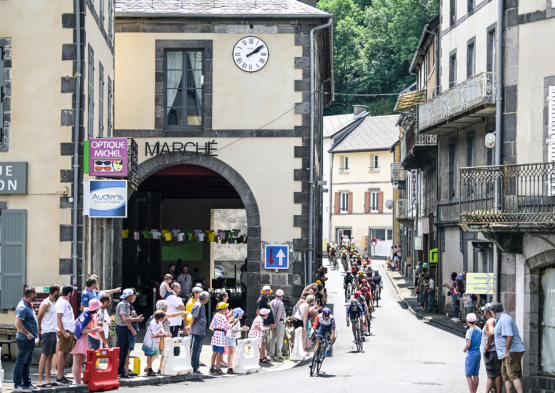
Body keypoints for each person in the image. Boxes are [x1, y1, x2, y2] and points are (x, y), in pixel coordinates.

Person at [490, 301, 526, 393]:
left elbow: (509, 336)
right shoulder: (501, 319)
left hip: (511, 352)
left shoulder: (504, 319)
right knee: (506, 377)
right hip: (504, 353)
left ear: (493, 311)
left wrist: (507, 351)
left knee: (513, 375)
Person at [71, 299, 103, 385]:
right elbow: (82, 331)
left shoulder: (86, 314)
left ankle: (78, 382)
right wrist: (94, 329)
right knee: (77, 363)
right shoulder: (87, 316)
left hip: (81, 339)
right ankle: (77, 382)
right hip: (80, 340)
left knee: (79, 363)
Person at [14, 287, 39, 391]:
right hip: (24, 339)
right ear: (32, 294)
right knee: (21, 361)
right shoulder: (22, 307)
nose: (36, 295)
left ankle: (27, 383)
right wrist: (28, 333)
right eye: (35, 294)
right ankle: (18, 384)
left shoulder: (28, 306)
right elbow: (17, 324)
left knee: (27, 361)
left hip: (29, 339)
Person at [115, 288, 144, 378]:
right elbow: (124, 319)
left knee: (125, 350)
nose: (133, 297)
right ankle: (119, 371)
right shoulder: (122, 304)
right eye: (132, 295)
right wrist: (136, 319)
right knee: (121, 350)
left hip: (125, 328)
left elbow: (127, 318)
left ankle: (122, 371)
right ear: (130, 296)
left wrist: (133, 317)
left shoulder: (127, 304)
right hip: (121, 328)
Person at [36, 285, 61, 388]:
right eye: (59, 291)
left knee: (50, 356)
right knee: (44, 355)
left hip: (52, 332)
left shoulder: (53, 303)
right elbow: (38, 318)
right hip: (47, 333)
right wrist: (39, 332)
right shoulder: (46, 303)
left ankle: (48, 379)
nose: (60, 293)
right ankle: (40, 380)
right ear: (55, 292)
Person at [56, 285, 76, 384]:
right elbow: (58, 319)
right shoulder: (61, 303)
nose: (73, 294)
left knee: (65, 354)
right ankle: (60, 376)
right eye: (72, 292)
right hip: (65, 331)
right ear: (69, 293)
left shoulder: (65, 302)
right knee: (62, 353)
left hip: (69, 330)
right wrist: (64, 332)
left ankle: (62, 375)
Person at [481, 303, 503, 393]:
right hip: (495, 351)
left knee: (494, 375)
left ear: (487, 312)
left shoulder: (490, 321)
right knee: (494, 374)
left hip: (491, 352)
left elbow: (491, 333)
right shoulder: (497, 320)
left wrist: (488, 345)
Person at [142, 310, 168, 376]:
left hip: (155, 342)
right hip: (150, 342)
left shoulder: (159, 322)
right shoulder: (153, 323)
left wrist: (164, 332)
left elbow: (161, 329)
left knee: (154, 354)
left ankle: (149, 369)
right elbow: (153, 335)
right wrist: (162, 335)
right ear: (161, 318)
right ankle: (149, 370)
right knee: (149, 355)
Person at [190, 291, 209, 374]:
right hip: (197, 331)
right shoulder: (199, 305)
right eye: (208, 297)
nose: (208, 299)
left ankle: (195, 366)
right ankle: (194, 367)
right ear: (205, 298)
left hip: (199, 330)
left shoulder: (200, 305)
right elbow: (194, 317)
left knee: (198, 349)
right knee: (196, 349)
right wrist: (190, 327)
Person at [209, 303, 231, 374]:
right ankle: (217, 368)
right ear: (223, 308)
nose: (227, 309)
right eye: (226, 308)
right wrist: (233, 323)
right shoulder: (223, 317)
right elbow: (227, 327)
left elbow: (211, 326)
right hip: (221, 335)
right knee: (219, 352)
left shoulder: (215, 315)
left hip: (215, 334)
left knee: (214, 351)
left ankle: (212, 367)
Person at [226, 308, 249, 374]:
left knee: (232, 352)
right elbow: (233, 331)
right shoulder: (236, 320)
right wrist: (242, 329)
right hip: (231, 337)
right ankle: (230, 367)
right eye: (241, 313)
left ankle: (230, 366)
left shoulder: (235, 320)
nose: (242, 314)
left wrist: (242, 328)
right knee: (231, 353)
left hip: (231, 337)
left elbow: (233, 330)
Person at [256, 285, 275, 363]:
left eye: (268, 291)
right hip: (263, 324)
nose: (267, 292)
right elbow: (258, 312)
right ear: (263, 292)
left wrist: (272, 322)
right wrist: (261, 323)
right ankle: (261, 357)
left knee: (265, 341)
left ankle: (264, 356)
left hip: (267, 324)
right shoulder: (260, 300)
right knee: (262, 341)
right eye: (266, 291)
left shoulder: (267, 299)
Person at [463, 313, 482, 393]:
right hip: (478, 352)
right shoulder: (479, 330)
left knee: (468, 375)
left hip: (471, 354)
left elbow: (468, 344)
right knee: (475, 374)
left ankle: (472, 392)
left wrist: (464, 349)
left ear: (467, 321)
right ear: (475, 320)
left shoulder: (469, 331)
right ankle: (475, 391)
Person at [269, 289, 286, 359]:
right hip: (279, 322)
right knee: (279, 338)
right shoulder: (281, 303)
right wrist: (276, 323)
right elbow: (279, 315)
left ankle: (271, 353)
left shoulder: (271, 302)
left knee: (272, 338)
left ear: (276, 295)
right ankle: (279, 354)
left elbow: (270, 313)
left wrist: (272, 323)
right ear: (282, 296)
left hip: (272, 321)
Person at [125, 289, 140, 374]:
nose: (135, 297)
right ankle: (125, 367)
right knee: (128, 350)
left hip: (132, 331)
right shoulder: (128, 306)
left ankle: (126, 366)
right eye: (135, 295)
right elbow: (128, 320)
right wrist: (132, 330)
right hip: (130, 331)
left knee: (128, 350)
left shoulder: (130, 305)